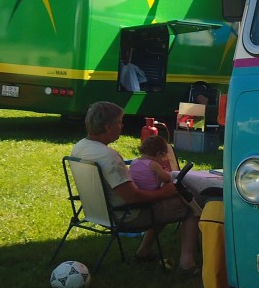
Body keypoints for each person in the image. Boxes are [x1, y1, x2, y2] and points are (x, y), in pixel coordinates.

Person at [71, 101, 200, 275]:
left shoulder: (79, 147)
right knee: (190, 206)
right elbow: (133, 198)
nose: (122, 126)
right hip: (126, 215)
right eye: (119, 122)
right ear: (108, 127)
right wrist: (164, 192)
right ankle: (187, 264)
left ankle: (143, 252)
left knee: (166, 204)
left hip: (97, 211)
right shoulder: (108, 156)